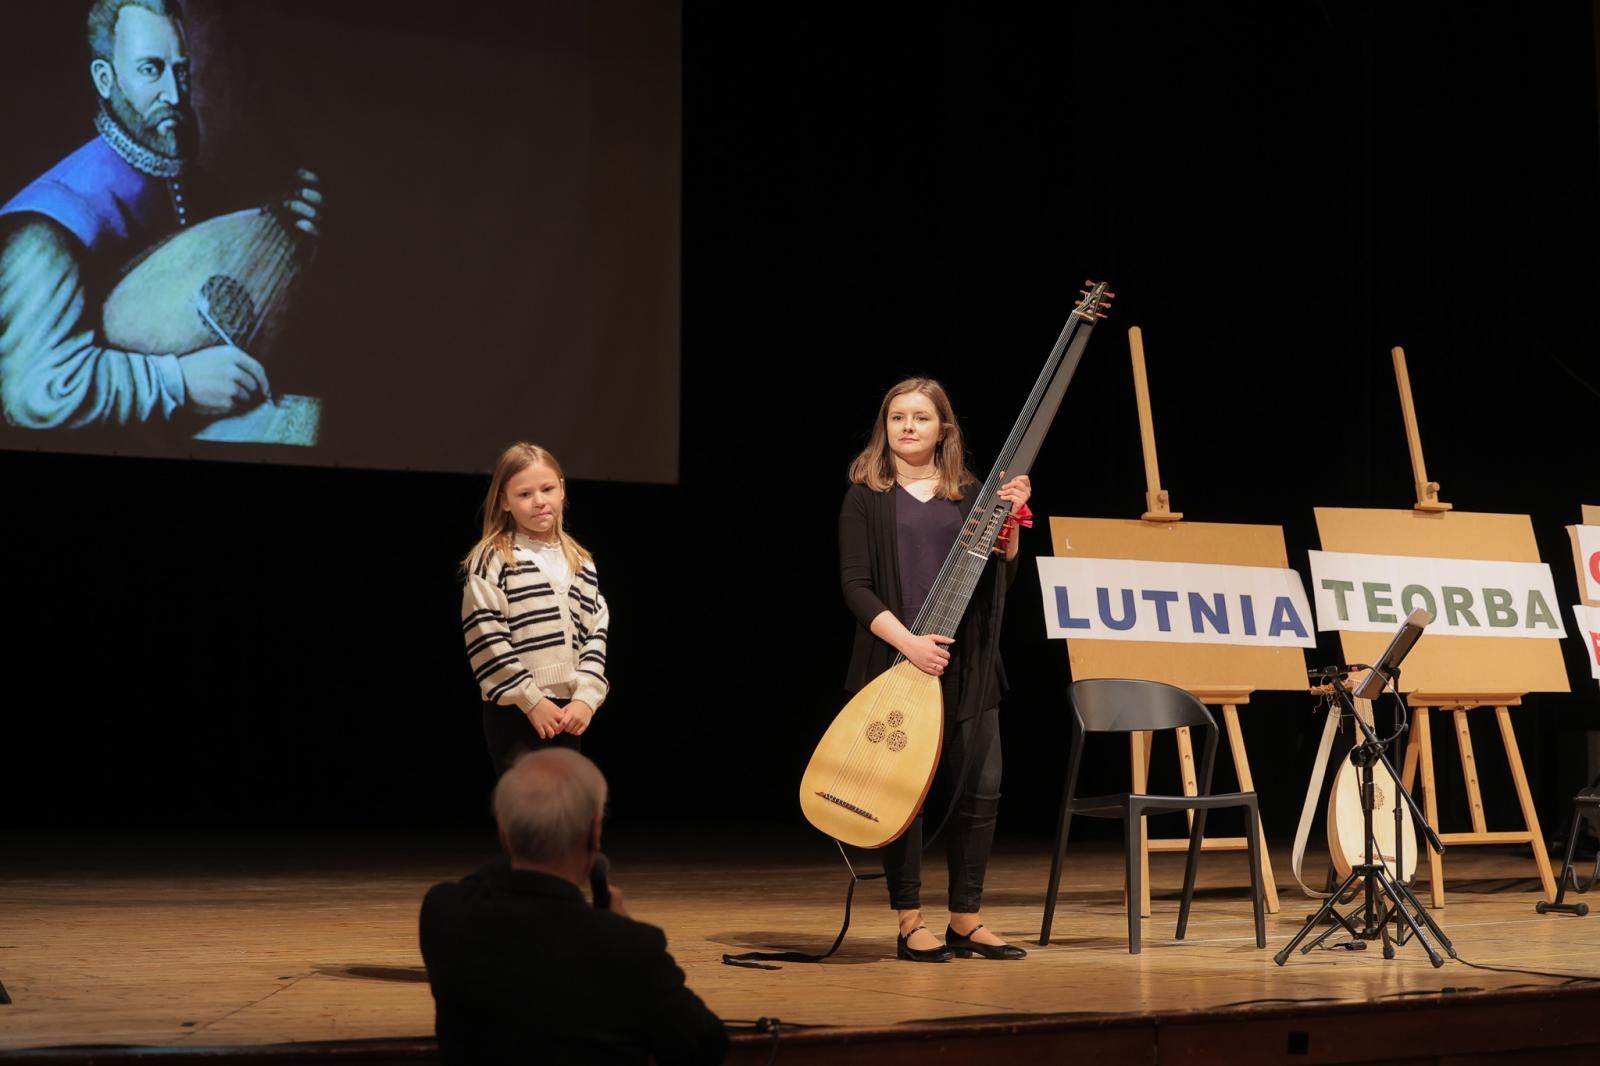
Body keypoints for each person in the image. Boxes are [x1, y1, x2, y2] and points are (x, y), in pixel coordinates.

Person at [0, 0, 323, 431]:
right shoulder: (47, 226)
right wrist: (180, 382)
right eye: (151, 70)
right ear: (105, 78)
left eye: (181, 71)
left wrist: (292, 243)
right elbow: (37, 393)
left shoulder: (199, 188)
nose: (174, 94)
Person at [839, 377, 1033, 962]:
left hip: (969, 663)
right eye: (897, 417)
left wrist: (1012, 528)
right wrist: (911, 644)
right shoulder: (865, 494)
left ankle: (966, 919)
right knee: (903, 794)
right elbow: (855, 586)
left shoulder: (973, 492)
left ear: (943, 428)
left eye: (921, 418)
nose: (908, 427)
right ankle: (909, 920)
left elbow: (999, 582)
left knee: (982, 788)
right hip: (896, 661)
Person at [420, 748, 727, 1065]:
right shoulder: (629, 947)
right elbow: (706, 1045)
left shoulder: (443, 911)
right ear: (595, 833)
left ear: (502, 833)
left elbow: (484, 881)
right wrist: (624, 930)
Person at [461, 442, 610, 777]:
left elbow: (595, 631)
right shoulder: (493, 558)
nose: (539, 501)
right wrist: (530, 699)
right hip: (516, 709)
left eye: (547, 489)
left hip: (568, 711)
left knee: (564, 810)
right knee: (525, 809)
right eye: (524, 494)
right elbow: (486, 636)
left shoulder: (580, 561)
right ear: (504, 501)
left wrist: (586, 697)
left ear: (562, 489)